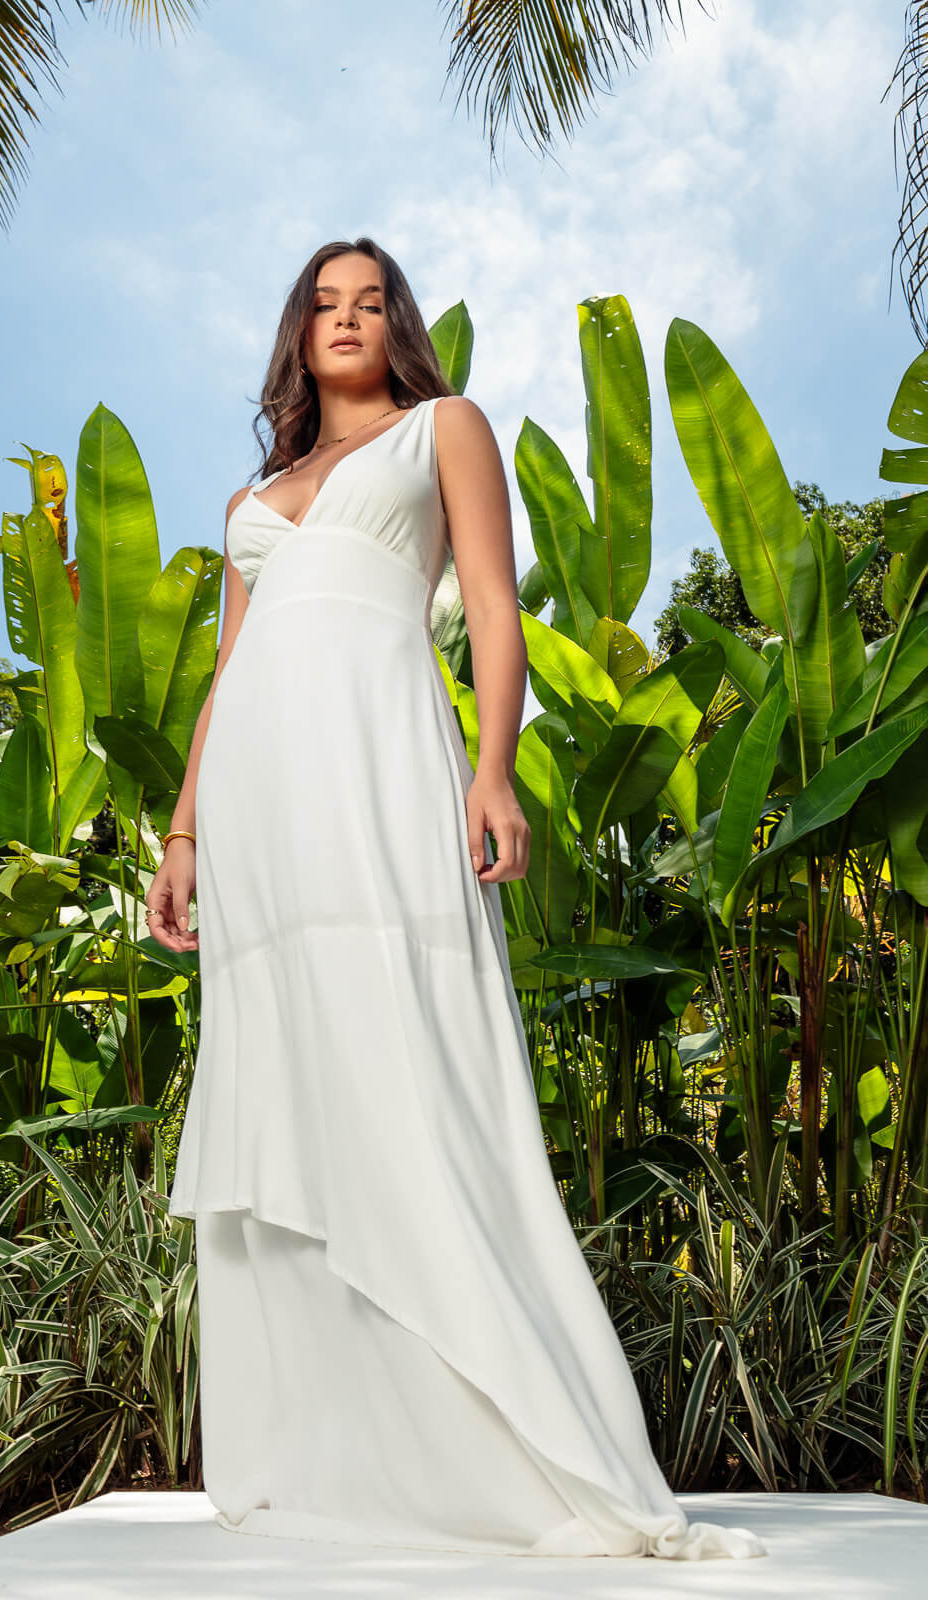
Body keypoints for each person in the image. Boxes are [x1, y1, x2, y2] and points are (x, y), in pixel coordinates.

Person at [145, 237, 766, 1562]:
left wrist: (491, 770)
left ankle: (518, 1439)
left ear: (398, 326)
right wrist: (185, 832)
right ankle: (328, 1448)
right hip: (259, 803)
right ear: (297, 334)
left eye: (371, 302)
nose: (348, 319)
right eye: (325, 303)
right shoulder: (255, 497)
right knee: (293, 1074)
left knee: (407, 1057)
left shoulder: (447, 429)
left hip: (381, 765)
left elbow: (491, 605)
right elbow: (226, 675)